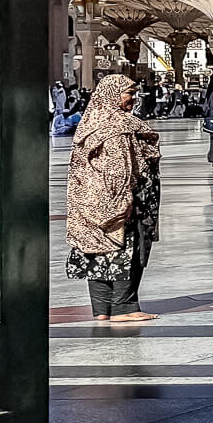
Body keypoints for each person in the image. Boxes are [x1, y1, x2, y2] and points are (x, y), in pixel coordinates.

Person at [65, 75, 162, 322]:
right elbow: (120, 168)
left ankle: (102, 310)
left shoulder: (91, 121)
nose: (134, 97)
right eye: (129, 92)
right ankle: (124, 307)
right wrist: (123, 199)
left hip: (89, 201)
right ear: (113, 94)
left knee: (96, 248)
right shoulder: (119, 126)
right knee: (126, 248)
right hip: (122, 202)